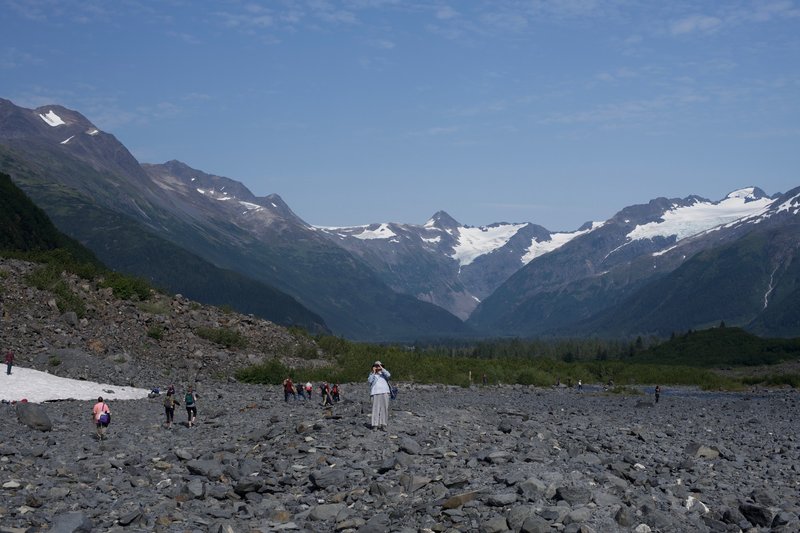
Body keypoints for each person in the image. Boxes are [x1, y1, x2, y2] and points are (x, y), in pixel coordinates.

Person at [368, 361, 391, 430]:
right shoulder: (372, 374)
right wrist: (373, 372)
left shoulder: (384, 373)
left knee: (384, 409)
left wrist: (382, 369)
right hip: (375, 392)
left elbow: (389, 375)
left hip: (385, 392)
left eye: (379, 365)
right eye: (376, 365)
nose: (378, 367)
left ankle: (383, 424)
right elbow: (369, 381)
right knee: (375, 409)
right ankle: (375, 424)